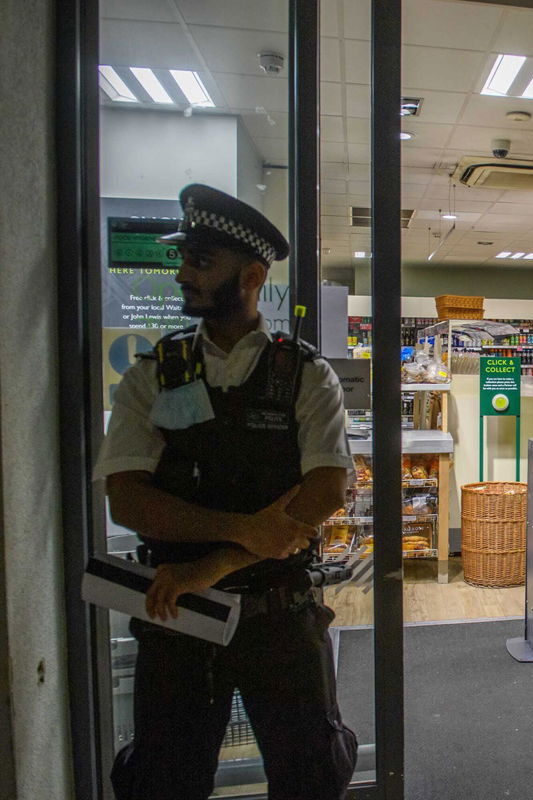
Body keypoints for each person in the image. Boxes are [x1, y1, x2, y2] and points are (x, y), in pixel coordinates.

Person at [94, 184, 358, 800]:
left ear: (251, 275)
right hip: (174, 614)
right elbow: (127, 501)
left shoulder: (305, 374)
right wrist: (247, 528)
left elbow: (325, 490)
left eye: (202, 262)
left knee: (310, 776)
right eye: (183, 260)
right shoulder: (152, 374)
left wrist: (210, 564)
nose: (183, 274)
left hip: (278, 617)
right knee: (165, 780)